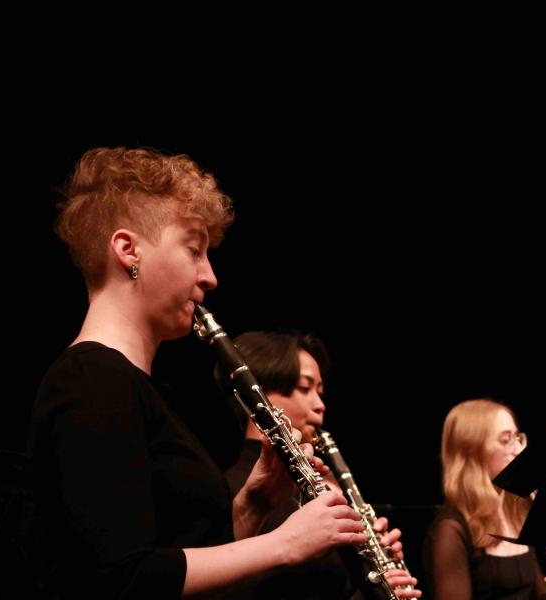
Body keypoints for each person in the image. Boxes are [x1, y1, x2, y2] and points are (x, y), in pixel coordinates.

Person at [28, 147, 368, 599]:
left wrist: (253, 507)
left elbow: (177, 553)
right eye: (194, 250)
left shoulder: (132, 387)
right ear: (128, 250)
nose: (210, 277)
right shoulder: (90, 382)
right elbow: (120, 578)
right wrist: (286, 542)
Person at [224, 330, 420, 600]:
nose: (320, 405)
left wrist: (376, 577)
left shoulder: (322, 484)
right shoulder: (230, 487)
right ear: (258, 394)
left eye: (320, 391)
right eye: (305, 389)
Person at [422, 399, 546, 600]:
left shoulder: (515, 515)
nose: (518, 450)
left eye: (518, 438)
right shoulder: (450, 529)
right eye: (506, 439)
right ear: (472, 452)